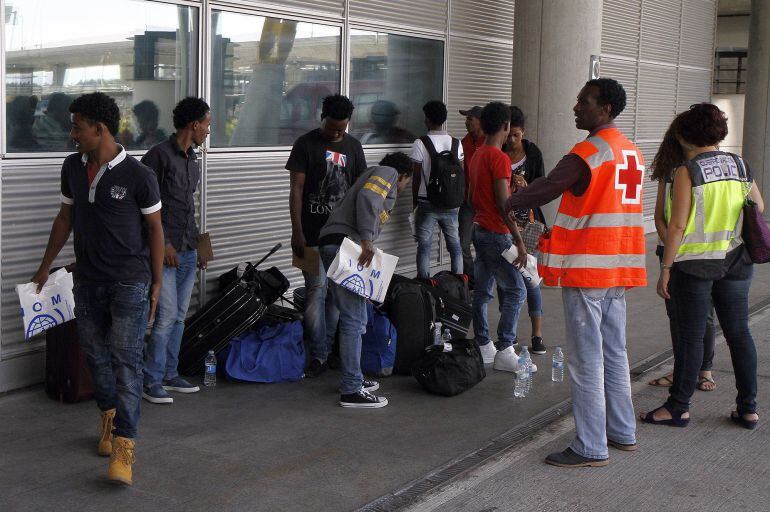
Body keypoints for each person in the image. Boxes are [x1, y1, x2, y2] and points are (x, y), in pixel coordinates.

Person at [506, 78, 647, 467]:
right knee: (615, 354)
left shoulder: (589, 151)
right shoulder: (631, 152)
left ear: (605, 110)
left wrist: (512, 201)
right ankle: (622, 432)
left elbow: (548, 187)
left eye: (583, 102)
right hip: (620, 268)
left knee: (586, 361)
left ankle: (590, 447)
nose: (575, 107)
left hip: (588, 271)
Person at [31, 92, 164, 485]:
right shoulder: (73, 167)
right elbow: (64, 219)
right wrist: (43, 270)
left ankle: (125, 446)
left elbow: (156, 230)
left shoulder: (139, 176)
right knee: (94, 356)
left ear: (100, 129)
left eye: (77, 126)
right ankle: (109, 414)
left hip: (129, 282)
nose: (72, 134)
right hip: (87, 281)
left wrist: (156, 283)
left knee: (126, 362)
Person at [640, 103, 763, 431]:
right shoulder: (739, 164)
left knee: (692, 336)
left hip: (694, 264)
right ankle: (748, 408)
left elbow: (677, 226)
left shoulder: (688, 170)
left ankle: (678, 408)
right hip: (736, 259)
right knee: (739, 333)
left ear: (685, 134)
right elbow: (759, 206)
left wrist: (665, 269)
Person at [317, 152, 413, 408]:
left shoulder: (369, 174)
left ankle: (353, 377)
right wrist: (368, 238)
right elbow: (369, 198)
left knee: (351, 315)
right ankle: (351, 389)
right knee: (354, 318)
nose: (402, 189)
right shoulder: (388, 173)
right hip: (345, 246)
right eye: (406, 183)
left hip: (333, 243)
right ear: (403, 175)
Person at [286, 94, 367, 378]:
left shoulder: (354, 147)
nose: (336, 133)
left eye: (341, 129)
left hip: (345, 239)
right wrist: (296, 231)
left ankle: (328, 349)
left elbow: (360, 191)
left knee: (336, 297)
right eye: (332, 127)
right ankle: (317, 354)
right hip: (309, 235)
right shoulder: (305, 144)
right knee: (315, 293)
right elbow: (296, 190)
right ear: (322, 118)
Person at [142, 97, 211, 404]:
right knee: (166, 315)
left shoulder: (192, 159)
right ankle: (151, 379)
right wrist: (164, 244)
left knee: (180, 316)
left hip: (187, 249)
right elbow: (142, 209)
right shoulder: (158, 156)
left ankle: (170, 374)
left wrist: (200, 248)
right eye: (207, 124)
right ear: (194, 124)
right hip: (164, 252)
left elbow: (188, 208)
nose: (208, 131)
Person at [647, 126, 718, 392]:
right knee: (676, 315)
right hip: (672, 252)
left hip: (701, 255)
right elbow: (660, 216)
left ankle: (705, 371)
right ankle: (681, 371)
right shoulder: (671, 169)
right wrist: (671, 251)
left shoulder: (707, 169)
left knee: (705, 317)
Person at [467, 101, 528, 372]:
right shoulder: (500, 158)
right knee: (516, 289)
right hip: (497, 233)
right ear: (505, 126)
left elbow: (470, 198)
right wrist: (519, 240)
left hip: (479, 229)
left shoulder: (478, 154)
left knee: (482, 289)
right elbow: (505, 205)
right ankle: (505, 348)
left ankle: (484, 344)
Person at [501, 106, 547, 355]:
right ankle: (511, 334)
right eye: (508, 134)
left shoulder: (532, 153)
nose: (511, 140)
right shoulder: (498, 153)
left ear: (523, 132)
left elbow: (543, 186)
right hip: (505, 226)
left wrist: (526, 186)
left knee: (531, 280)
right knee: (509, 282)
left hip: (528, 226)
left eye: (516, 135)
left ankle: (537, 334)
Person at [410, 100, 464, 279]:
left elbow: (416, 177)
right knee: (455, 246)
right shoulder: (456, 143)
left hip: (427, 203)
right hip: (452, 204)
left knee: (424, 247)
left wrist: (414, 203)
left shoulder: (420, 143)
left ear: (427, 119)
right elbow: (460, 174)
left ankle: (424, 285)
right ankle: (459, 284)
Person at [458, 106, 485, 286]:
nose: (467, 122)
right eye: (466, 119)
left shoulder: (490, 143)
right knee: (464, 243)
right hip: (467, 203)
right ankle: (472, 280)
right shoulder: (463, 143)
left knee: (483, 245)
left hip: (485, 204)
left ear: (480, 122)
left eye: (470, 119)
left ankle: (485, 278)